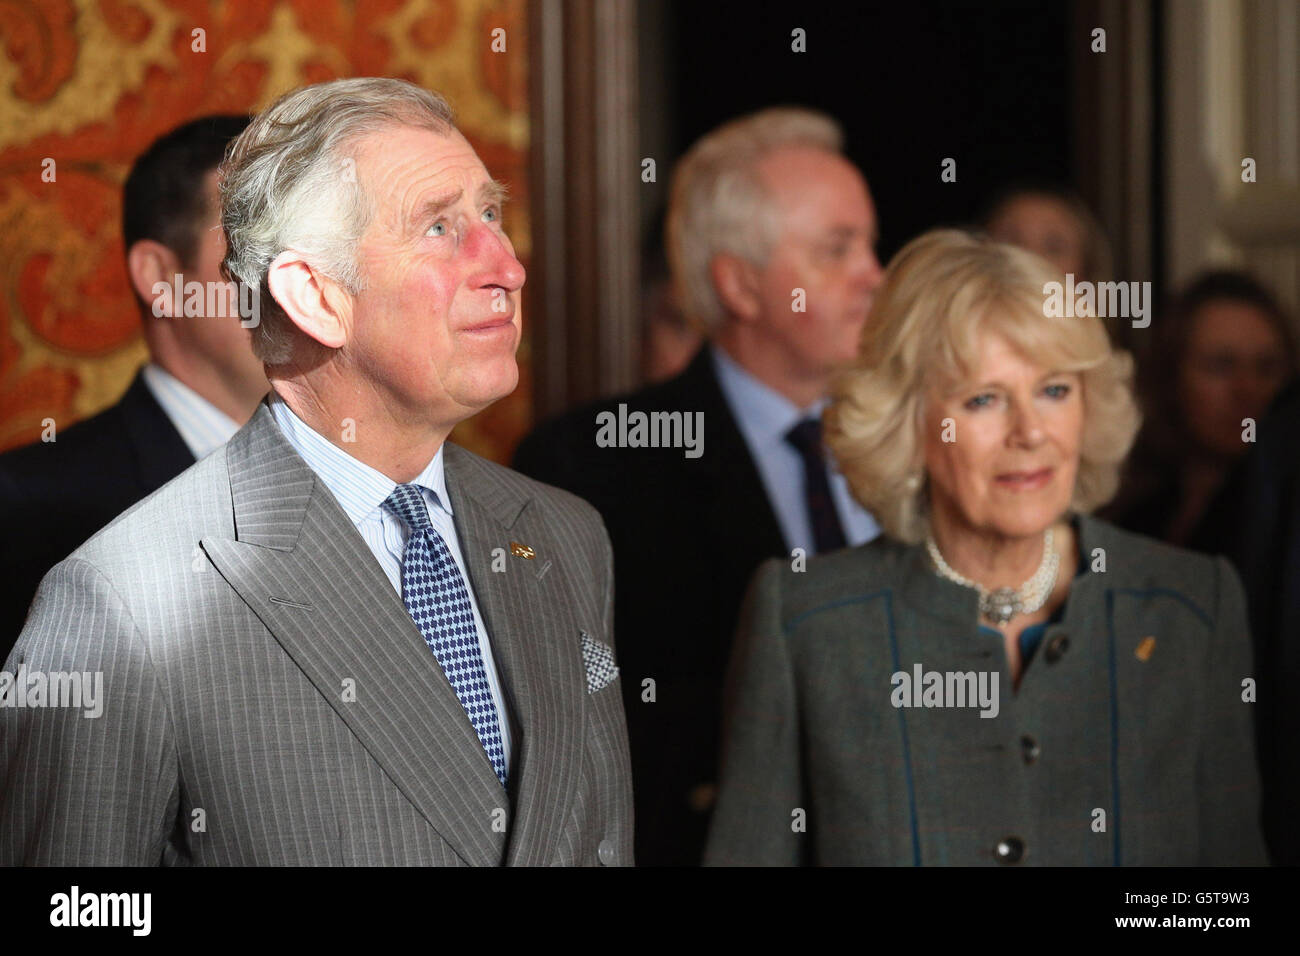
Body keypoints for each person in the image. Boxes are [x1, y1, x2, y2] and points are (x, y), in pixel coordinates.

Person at [0, 77, 633, 866]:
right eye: (439, 226)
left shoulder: (566, 535)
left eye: (491, 214)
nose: (507, 266)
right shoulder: (122, 607)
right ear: (313, 295)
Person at [705, 229, 1265, 865]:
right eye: (984, 399)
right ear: (907, 421)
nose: (1030, 432)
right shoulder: (807, 622)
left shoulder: (1191, 607)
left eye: (1054, 390)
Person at [514, 107, 884, 864]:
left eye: (871, 245)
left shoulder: (924, 440)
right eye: (838, 249)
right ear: (740, 286)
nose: (875, 277)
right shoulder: (592, 466)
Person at [0, 115, 267, 658]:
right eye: (260, 250)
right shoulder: (26, 510)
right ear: (161, 279)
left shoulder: (383, 477)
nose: (301, 284)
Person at [1106, 271, 1296, 547]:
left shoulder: (1283, 520)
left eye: (1267, 368)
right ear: (1171, 376)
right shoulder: (1139, 512)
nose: (1247, 389)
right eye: (1221, 366)